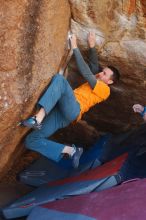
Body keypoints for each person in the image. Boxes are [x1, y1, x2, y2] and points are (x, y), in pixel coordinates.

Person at [20, 32, 120, 168]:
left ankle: (38, 118)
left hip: (74, 109)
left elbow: (86, 72)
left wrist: (74, 47)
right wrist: (92, 46)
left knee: (60, 80)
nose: (101, 73)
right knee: (31, 140)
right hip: (62, 115)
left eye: (104, 74)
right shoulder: (98, 78)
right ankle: (71, 150)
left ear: (109, 81)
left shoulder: (105, 90)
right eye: (103, 71)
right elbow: (94, 65)